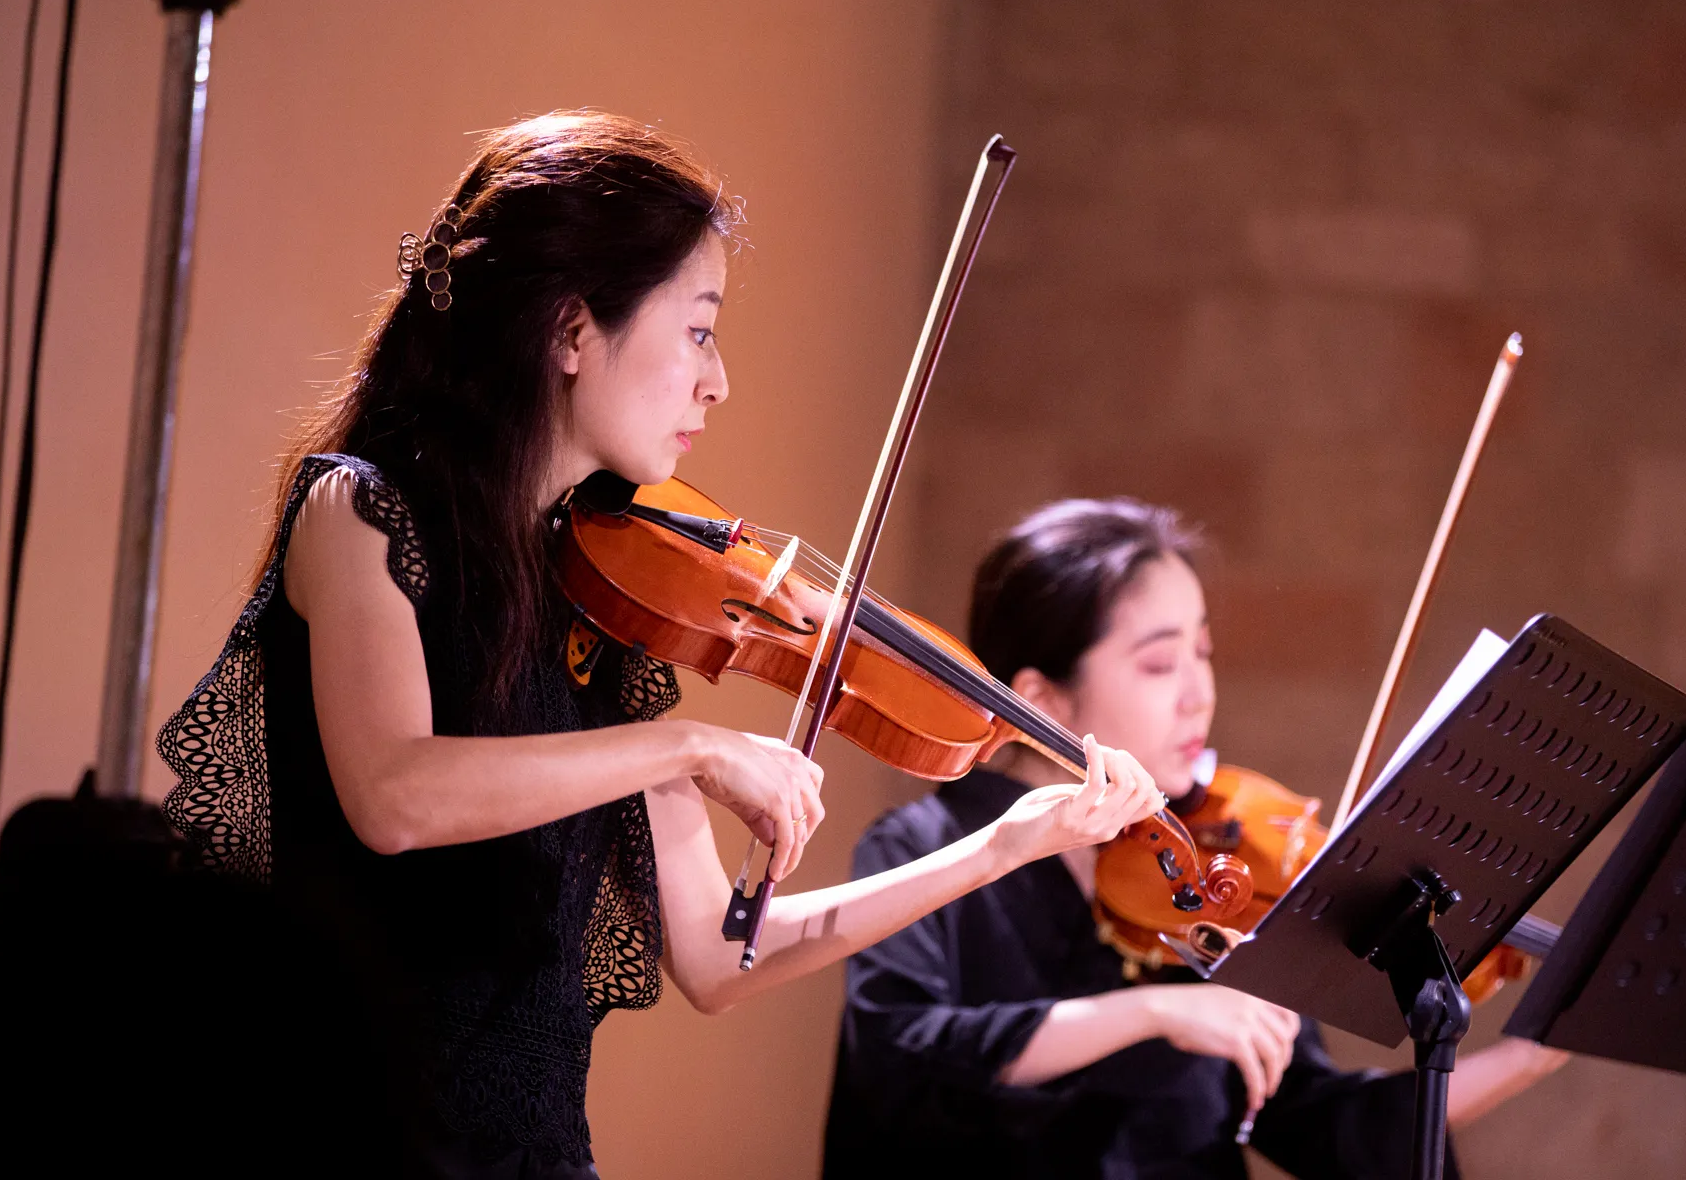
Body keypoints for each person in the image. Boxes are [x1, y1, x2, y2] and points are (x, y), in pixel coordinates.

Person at [153, 113, 1166, 1178]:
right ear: (571, 330)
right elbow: (396, 793)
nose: (717, 379)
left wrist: (1005, 841)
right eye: (697, 328)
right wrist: (687, 749)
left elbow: (720, 953)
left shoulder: (599, 598)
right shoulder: (360, 511)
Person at [823, 498, 1570, 1179]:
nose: (1199, 692)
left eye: (1202, 654)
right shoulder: (923, 849)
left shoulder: (1211, 878)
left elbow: (1325, 1126)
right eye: (1158, 663)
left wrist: (1532, 1056)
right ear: (1040, 697)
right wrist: (1151, 1013)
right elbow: (900, 1055)